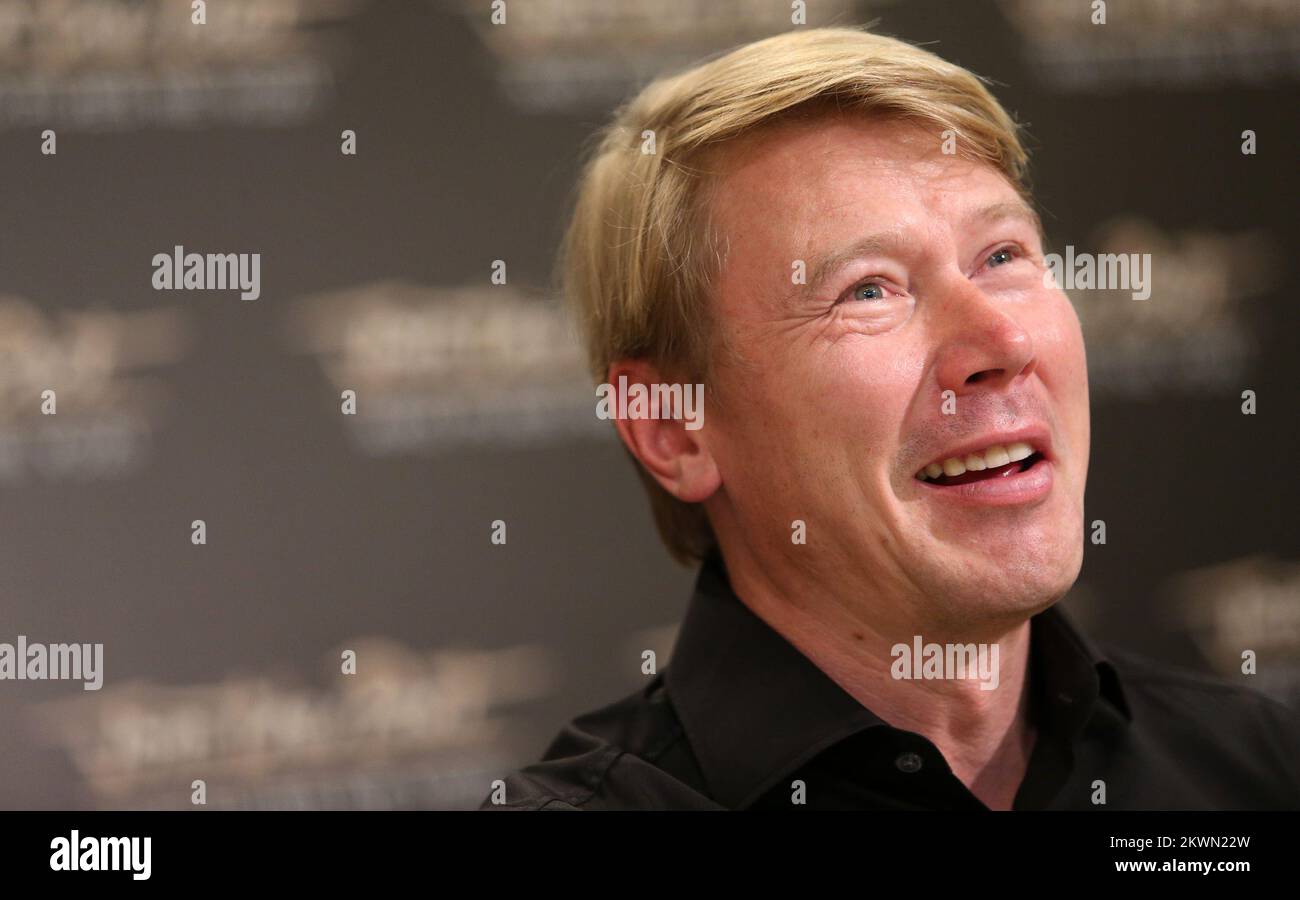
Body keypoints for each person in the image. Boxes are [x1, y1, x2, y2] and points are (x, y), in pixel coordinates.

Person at [482, 27, 1300, 810]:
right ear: (675, 428)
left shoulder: (1253, 769)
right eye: (868, 290)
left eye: (1003, 256)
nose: (1004, 340)